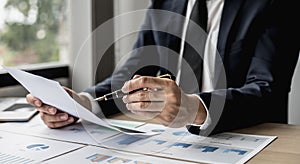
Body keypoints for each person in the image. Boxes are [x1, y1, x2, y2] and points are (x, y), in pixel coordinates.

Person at [26, 0, 299, 135]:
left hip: (248, 138)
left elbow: (267, 91)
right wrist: (83, 103)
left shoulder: (275, 4)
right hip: (170, 139)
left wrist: (195, 108)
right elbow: (131, 72)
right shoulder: (165, 1)